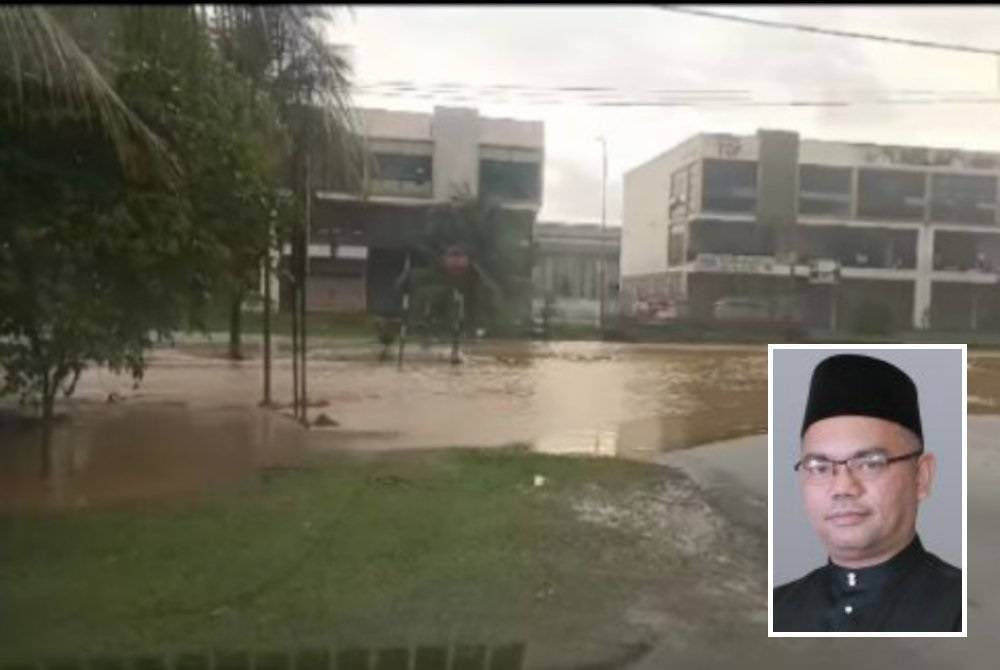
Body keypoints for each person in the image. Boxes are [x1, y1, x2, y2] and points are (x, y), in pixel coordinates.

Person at [773, 353, 962, 632]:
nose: (842, 488)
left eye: (870, 464)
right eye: (819, 467)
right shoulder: (777, 609)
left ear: (921, 477)